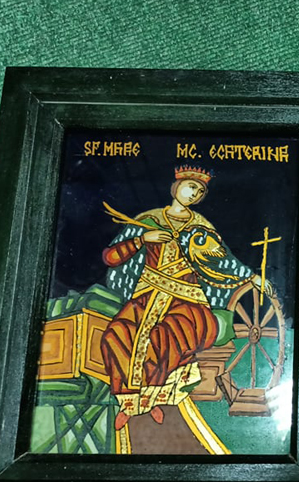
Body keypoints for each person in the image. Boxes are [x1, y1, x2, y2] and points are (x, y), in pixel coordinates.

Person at [100, 165, 265, 431]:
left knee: (165, 336)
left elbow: (224, 263)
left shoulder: (201, 229)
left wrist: (251, 277)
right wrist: (143, 239)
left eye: (199, 192)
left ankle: (153, 398)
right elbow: (111, 257)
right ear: (176, 188)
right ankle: (131, 402)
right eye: (191, 187)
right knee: (116, 334)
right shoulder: (149, 221)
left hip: (188, 302)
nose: (194, 194)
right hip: (146, 297)